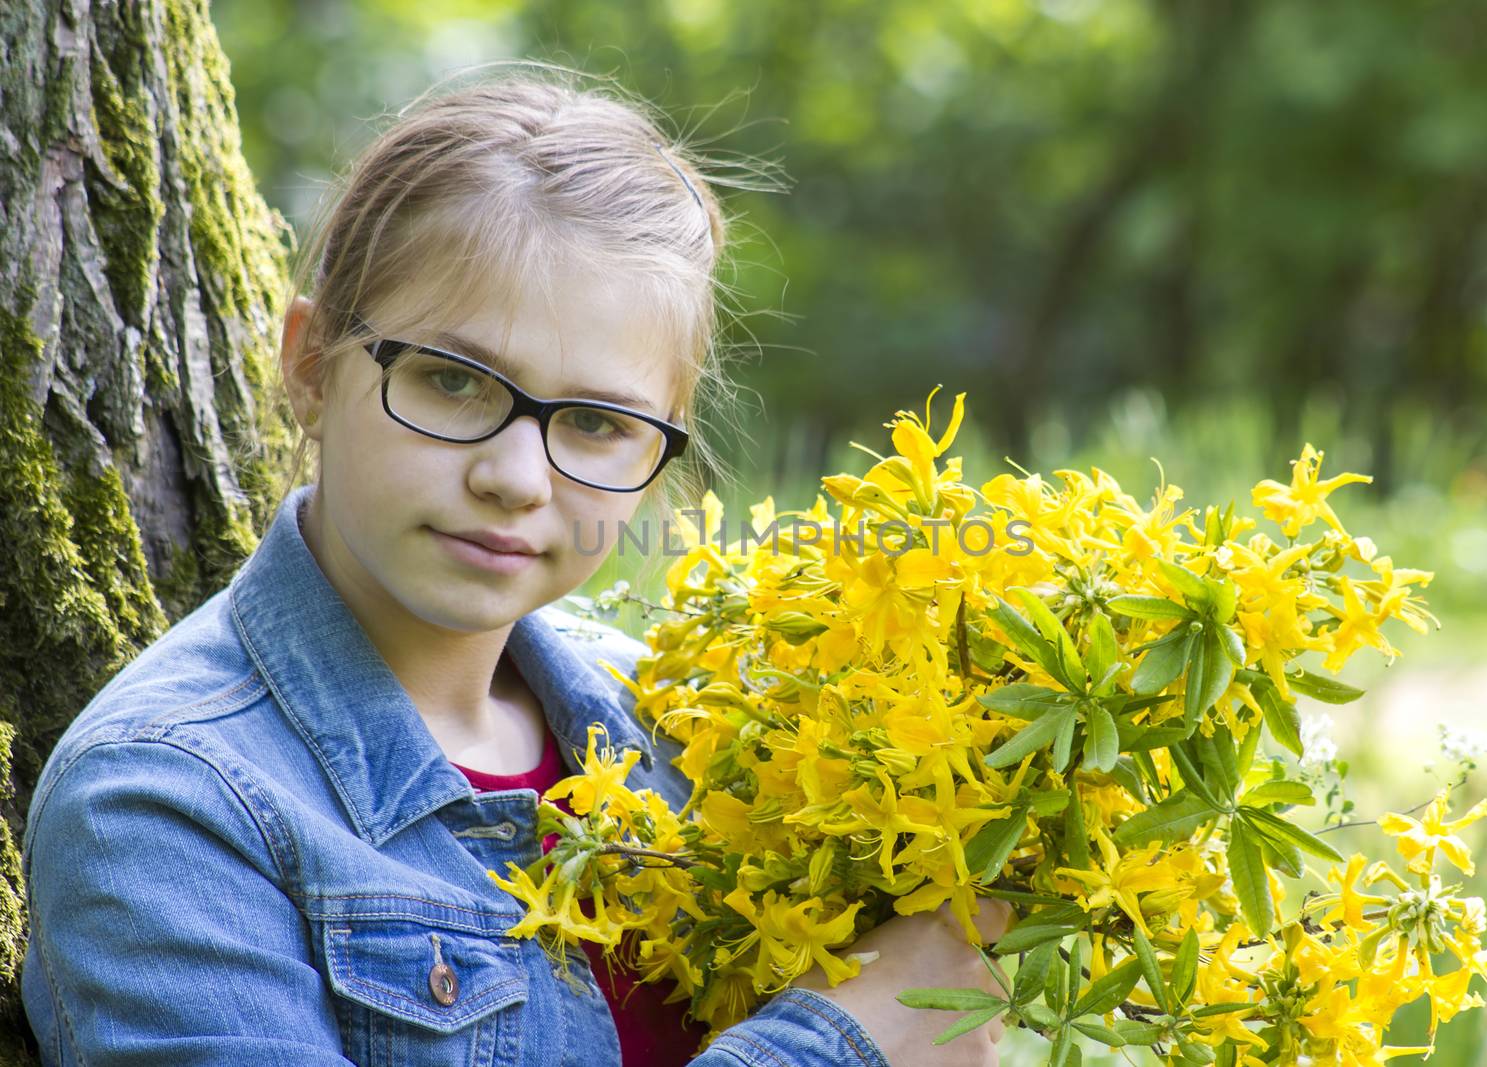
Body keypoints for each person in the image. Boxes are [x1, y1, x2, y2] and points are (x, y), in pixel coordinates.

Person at [20, 64, 1008, 1067]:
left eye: (594, 422)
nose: (514, 476)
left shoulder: (690, 728)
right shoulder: (165, 802)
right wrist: (836, 1046)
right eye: (451, 381)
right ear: (312, 365)